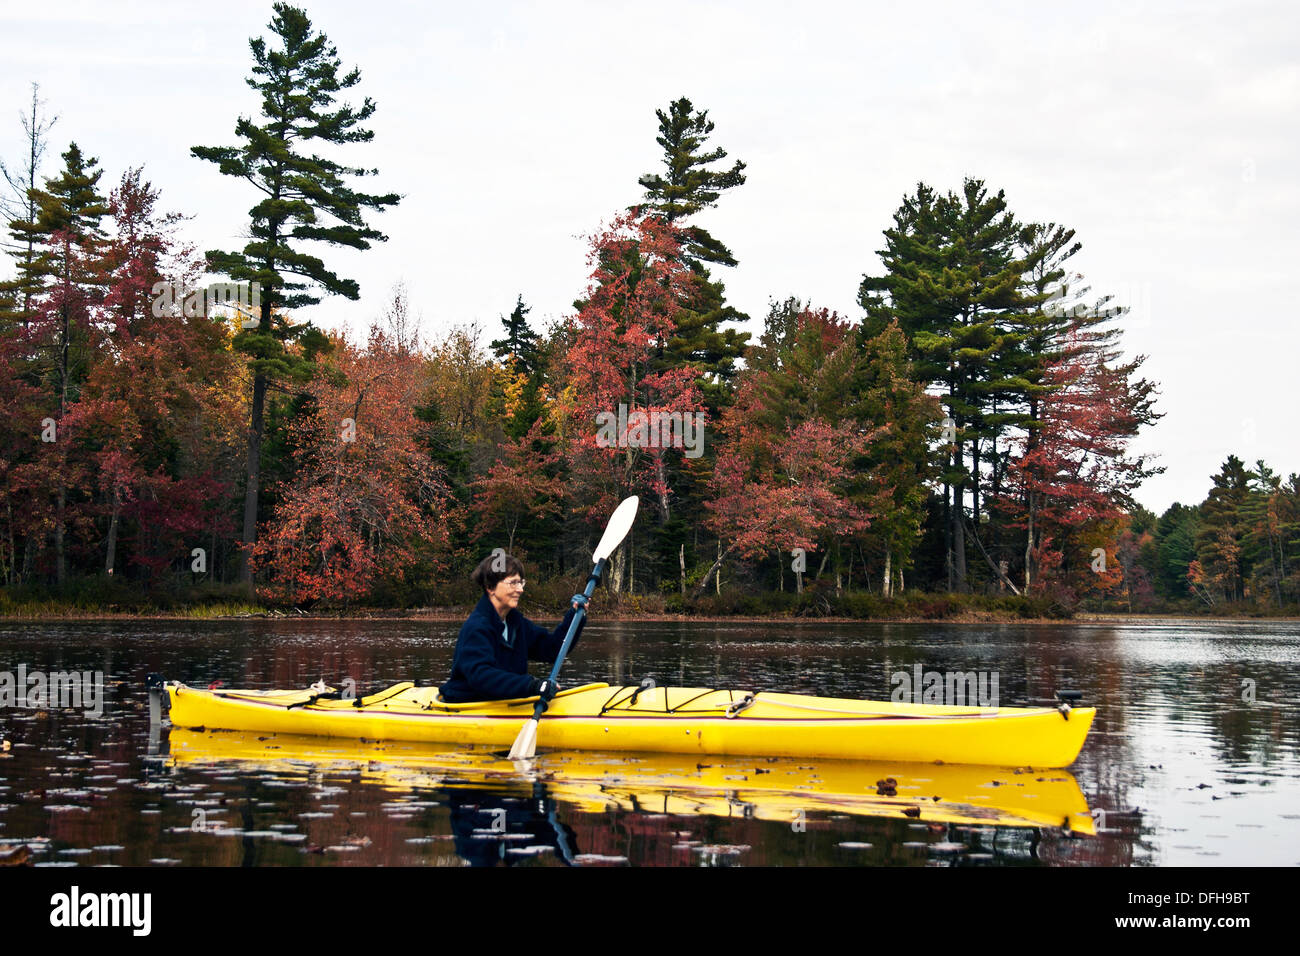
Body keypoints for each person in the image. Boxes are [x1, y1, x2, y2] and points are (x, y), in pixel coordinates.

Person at [439, 553, 589, 704]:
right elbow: (482, 677)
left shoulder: (516, 623)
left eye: (521, 583)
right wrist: (532, 685)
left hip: (505, 704)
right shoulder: (476, 628)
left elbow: (553, 649)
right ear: (490, 587)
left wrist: (575, 616)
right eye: (513, 583)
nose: (520, 590)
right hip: (468, 705)